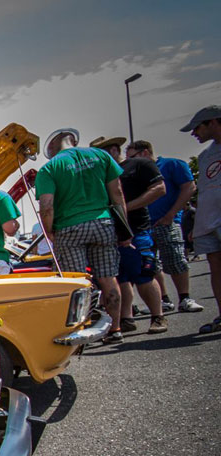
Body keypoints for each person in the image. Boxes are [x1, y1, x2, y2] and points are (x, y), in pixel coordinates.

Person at [35, 128, 128, 344]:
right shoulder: (101, 156)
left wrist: (49, 231)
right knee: (108, 278)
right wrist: (124, 227)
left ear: (52, 148)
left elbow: (47, 206)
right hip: (103, 222)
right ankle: (115, 328)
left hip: (69, 227)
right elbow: (117, 194)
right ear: (73, 139)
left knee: (76, 283)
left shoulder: (49, 168)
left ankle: (81, 330)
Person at [90, 135, 168, 334]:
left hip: (136, 230)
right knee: (120, 278)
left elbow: (159, 189)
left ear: (114, 150)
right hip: (110, 234)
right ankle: (126, 318)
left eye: (104, 152)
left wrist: (124, 208)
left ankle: (157, 316)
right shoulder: (100, 173)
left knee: (143, 274)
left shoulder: (138, 164)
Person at [128, 140, 203, 312]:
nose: (130, 161)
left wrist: (171, 215)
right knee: (150, 264)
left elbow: (189, 187)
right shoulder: (136, 172)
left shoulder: (172, 164)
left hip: (167, 222)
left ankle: (185, 298)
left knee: (176, 259)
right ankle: (164, 300)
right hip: (144, 226)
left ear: (145, 153)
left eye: (133, 157)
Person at [182, 106, 221, 333]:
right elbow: (205, 190)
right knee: (216, 267)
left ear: (213, 122)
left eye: (197, 127)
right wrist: (198, 224)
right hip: (208, 222)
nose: (194, 133)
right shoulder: (206, 156)